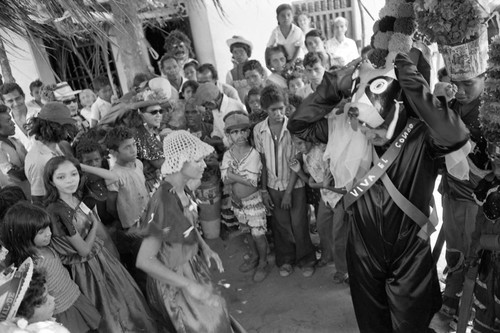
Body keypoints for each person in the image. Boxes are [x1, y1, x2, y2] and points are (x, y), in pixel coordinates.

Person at [288, 49, 468, 331]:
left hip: (410, 253)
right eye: (362, 125)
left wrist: (405, 69)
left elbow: (456, 135)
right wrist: (334, 84)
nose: (367, 133)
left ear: (397, 110)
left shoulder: (421, 138)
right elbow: (298, 125)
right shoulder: (349, 132)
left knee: (413, 326)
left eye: (376, 126)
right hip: (363, 253)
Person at [136, 130, 238, 333]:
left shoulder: (184, 188)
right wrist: (188, 286)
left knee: (217, 320)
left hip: (191, 267)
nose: (204, 165)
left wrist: (204, 247)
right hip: (173, 279)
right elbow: (144, 261)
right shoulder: (164, 200)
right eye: (198, 160)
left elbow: (188, 224)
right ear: (180, 162)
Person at [44, 156, 158, 333]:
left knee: (124, 300)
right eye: (61, 177)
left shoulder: (76, 195)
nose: (69, 181)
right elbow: (83, 250)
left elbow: (112, 176)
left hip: (102, 257)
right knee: (110, 308)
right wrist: (95, 226)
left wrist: (78, 164)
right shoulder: (56, 210)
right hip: (87, 270)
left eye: (73, 174)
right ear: (50, 181)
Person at [1, 202, 101, 332]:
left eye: (48, 227)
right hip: (61, 311)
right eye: (41, 232)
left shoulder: (46, 246)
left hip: (74, 297)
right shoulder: (32, 266)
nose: (49, 233)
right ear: (23, 236)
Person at [253, 84, 316, 278]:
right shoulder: (259, 130)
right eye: (273, 110)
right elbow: (262, 162)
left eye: (281, 108)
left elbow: (296, 161)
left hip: (294, 186)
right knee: (280, 225)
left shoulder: (293, 127)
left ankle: (306, 259)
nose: (278, 113)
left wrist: (289, 192)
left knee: (299, 224)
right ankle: (286, 260)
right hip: (272, 186)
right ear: (265, 109)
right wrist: (264, 191)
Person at [290, 136, 349, 282]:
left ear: (311, 140)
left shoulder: (324, 153)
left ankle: (344, 270)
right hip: (326, 197)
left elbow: (336, 185)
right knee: (322, 228)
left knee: (338, 235)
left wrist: (321, 185)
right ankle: (327, 256)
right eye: (297, 144)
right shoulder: (305, 155)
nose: (300, 147)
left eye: (302, 143)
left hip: (339, 199)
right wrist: (298, 171)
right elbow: (312, 181)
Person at [221, 112, 270, 282]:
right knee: (247, 231)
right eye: (234, 132)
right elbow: (224, 178)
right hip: (237, 202)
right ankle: (255, 256)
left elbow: (251, 182)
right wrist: (232, 176)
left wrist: (233, 175)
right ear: (228, 135)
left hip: (253, 202)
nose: (240, 135)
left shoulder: (254, 154)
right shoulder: (228, 154)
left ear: (249, 132)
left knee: (258, 234)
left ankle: (263, 262)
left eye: (243, 131)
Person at [0, 105, 30, 197]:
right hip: (15, 199)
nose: (13, 123)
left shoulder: (15, 141)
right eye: (8, 121)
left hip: (31, 192)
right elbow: (17, 176)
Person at [1, 83, 39, 150]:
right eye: (10, 101)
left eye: (17, 98)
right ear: (4, 103)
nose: (16, 103)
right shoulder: (4, 124)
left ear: (23, 96)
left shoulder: (39, 114)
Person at [226, 36, 253, 101]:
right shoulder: (230, 74)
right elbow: (229, 94)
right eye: (235, 52)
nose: (238, 55)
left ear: (247, 52)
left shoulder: (258, 69)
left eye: (241, 51)